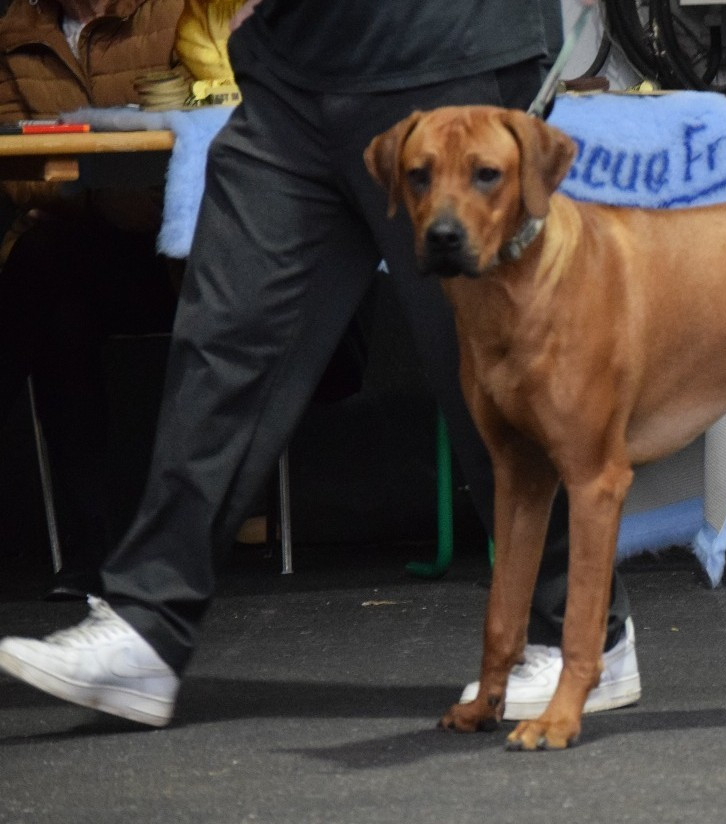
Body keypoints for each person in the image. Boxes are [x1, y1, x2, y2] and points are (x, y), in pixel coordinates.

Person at [0, 0, 641, 728]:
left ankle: (582, 634)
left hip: (444, 54)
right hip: (293, 74)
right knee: (224, 337)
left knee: (496, 375)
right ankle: (148, 621)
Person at [0, 0, 186, 600]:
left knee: (46, 271)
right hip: (80, 248)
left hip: (179, 250)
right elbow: (16, 169)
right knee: (52, 296)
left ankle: (103, 548)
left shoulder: (174, 11)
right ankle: (92, 547)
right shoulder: (15, 32)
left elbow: (212, 121)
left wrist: (86, 178)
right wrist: (100, 183)